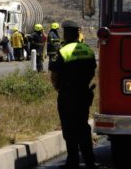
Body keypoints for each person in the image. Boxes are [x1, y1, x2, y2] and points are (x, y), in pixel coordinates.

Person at [49, 20, 97, 169]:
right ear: (78, 34)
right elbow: (92, 71)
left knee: (69, 128)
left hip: (68, 95)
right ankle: (89, 161)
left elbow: (54, 74)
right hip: (84, 93)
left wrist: (58, 88)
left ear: (67, 34)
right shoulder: (88, 50)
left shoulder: (63, 51)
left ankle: (73, 162)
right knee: (83, 127)